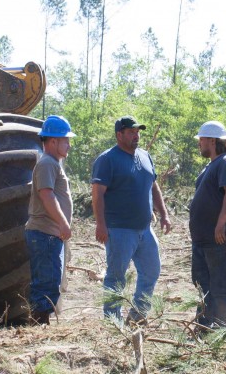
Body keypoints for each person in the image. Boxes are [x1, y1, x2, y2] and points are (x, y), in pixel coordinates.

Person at [91, 115, 172, 321]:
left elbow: (153, 186)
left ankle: (138, 315)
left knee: (152, 271)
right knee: (116, 277)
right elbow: (98, 193)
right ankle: (113, 322)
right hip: (119, 230)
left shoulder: (145, 156)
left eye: (138, 132)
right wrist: (100, 224)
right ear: (119, 135)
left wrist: (163, 214)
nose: (136, 136)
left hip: (145, 229)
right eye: (131, 132)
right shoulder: (107, 159)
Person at [189, 120, 226, 329]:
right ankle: (204, 328)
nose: (199, 144)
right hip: (204, 240)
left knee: (220, 287)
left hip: (220, 240)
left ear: (212, 140)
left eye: (201, 139)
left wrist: (221, 223)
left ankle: (222, 332)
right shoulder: (211, 166)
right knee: (204, 287)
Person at [24, 115, 76, 325]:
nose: (69, 145)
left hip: (50, 235)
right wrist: (63, 223)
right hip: (45, 233)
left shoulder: (52, 163)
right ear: (53, 141)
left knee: (50, 280)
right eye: (66, 140)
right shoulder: (47, 163)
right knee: (45, 283)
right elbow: (47, 196)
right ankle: (38, 326)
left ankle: (41, 323)